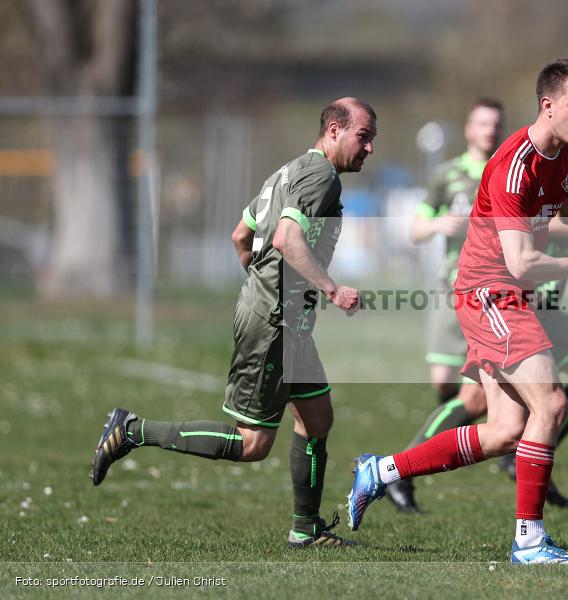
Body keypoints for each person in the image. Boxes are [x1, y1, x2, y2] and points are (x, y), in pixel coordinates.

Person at [347, 59, 568, 564]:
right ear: (547, 105)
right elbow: (520, 262)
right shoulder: (513, 166)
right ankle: (529, 541)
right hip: (488, 293)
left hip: (503, 294)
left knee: (504, 430)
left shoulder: (564, 156)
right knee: (550, 405)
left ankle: (381, 471)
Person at [91, 97, 377, 548]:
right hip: (275, 323)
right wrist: (331, 289)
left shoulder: (287, 170)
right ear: (334, 131)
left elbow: (241, 234)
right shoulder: (321, 176)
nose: (370, 148)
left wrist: (259, 278)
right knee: (252, 444)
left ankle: (306, 529)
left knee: (317, 418)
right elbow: (286, 238)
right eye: (364, 136)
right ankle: (131, 431)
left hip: (285, 321)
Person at [387, 96, 568, 513]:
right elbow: (539, 227)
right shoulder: (500, 167)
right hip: (484, 292)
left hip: (530, 296)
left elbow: (556, 215)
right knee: (475, 401)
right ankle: (401, 469)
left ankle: (519, 460)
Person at [386, 99, 504, 512]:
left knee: (476, 397)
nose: (490, 130)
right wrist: (439, 223)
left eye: (496, 124)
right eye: (482, 123)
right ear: (469, 130)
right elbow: (416, 228)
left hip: (490, 295)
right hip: (450, 289)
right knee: (445, 385)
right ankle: (447, 445)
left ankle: (405, 469)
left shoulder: (507, 169)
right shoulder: (447, 175)